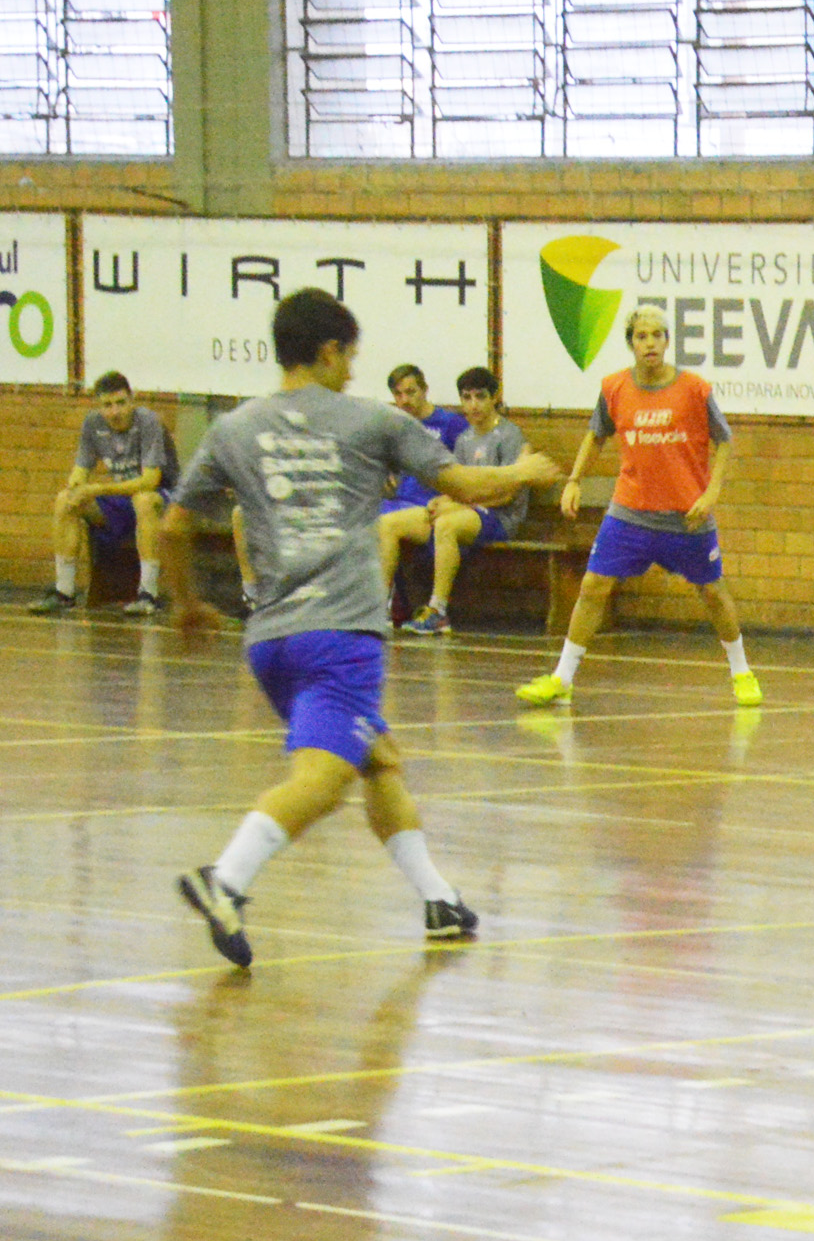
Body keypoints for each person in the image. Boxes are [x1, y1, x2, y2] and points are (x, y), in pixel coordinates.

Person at [160, 289, 562, 967]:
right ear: (327, 351)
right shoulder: (371, 421)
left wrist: (187, 603)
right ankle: (225, 879)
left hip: (270, 640)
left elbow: (172, 523)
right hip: (342, 633)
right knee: (325, 777)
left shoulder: (233, 428)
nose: (352, 370)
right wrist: (521, 471)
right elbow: (465, 485)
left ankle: (439, 900)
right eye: (348, 356)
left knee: (377, 758)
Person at [515, 306, 756, 708]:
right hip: (630, 512)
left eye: (658, 335)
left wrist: (711, 492)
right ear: (631, 343)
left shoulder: (695, 389)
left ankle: (742, 672)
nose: (650, 343)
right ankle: (562, 678)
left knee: (713, 592)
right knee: (593, 586)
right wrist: (573, 480)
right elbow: (595, 436)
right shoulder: (614, 388)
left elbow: (725, 441)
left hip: (686, 516)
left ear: (666, 341)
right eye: (642, 336)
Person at [391, 368, 529, 636]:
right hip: (471, 511)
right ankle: (378, 612)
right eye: (466, 398)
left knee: (446, 524)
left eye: (480, 397)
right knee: (388, 523)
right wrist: (442, 500)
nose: (473, 405)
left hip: (501, 517)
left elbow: (507, 494)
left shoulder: (509, 436)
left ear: (494, 398)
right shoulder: (465, 439)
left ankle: (438, 611)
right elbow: (458, 484)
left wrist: (457, 504)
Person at [33, 372, 175, 616]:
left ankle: (148, 594)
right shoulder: (92, 424)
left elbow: (150, 481)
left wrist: (98, 488)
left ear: (132, 400)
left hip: (162, 499)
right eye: (107, 405)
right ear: (99, 407)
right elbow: (80, 472)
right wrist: (76, 487)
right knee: (64, 501)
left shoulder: (148, 422)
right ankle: (64, 592)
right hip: (123, 501)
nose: (115, 412)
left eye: (121, 403)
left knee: (143, 500)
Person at [371, 365, 469, 586]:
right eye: (398, 394)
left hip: (429, 507)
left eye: (411, 392)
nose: (405, 400)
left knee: (381, 526)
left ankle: (380, 608)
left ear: (425, 390)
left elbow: (467, 472)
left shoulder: (451, 424)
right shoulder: (395, 424)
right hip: (396, 501)